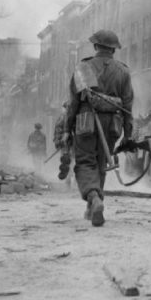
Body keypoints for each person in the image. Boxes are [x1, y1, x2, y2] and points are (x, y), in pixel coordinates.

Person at [63, 30, 133, 227]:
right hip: (112, 125)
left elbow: (73, 103)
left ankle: (93, 197)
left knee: (86, 162)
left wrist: (68, 128)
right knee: (102, 162)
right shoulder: (124, 72)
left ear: (95, 47)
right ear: (113, 49)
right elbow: (127, 106)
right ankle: (92, 205)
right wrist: (128, 133)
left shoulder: (83, 67)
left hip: (86, 120)